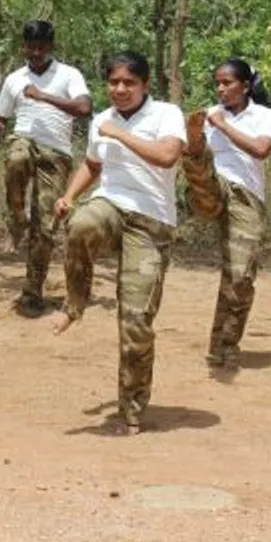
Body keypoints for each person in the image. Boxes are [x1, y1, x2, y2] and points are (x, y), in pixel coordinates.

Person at [52, 51, 185, 436]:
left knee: (136, 322)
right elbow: (93, 165)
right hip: (111, 205)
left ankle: (132, 409)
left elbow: (167, 155)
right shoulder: (100, 121)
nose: (120, 89)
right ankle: (74, 305)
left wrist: (120, 135)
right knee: (79, 225)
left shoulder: (165, 114)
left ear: (144, 85)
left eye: (129, 82)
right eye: (114, 82)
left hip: (152, 223)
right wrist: (70, 194)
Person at [181, 59, 271, 376]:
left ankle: (224, 345)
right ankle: (196, 173)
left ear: (246, 86)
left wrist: (223, 125)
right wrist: (197, 134)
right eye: (217, 83)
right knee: (199, 159)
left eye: (227, 83)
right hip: (211, 187)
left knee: (239, 276)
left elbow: (261, 149)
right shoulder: (208, 114)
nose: (221, 89)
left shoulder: (263, 116)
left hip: (245, 199)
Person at [0, 20, 92, 316]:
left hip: (56, 153)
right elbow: (0, 117)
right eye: (30, 46)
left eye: (41, 46)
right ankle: (17, 216)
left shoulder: (69, 75)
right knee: (18, 157)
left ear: (50, 46)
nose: (35, 52)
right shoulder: (14, 79)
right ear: (24, 45)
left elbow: (84, 108)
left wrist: (43, 96)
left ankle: (33, 291)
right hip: (24, 140)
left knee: (46, 226)